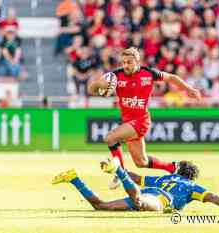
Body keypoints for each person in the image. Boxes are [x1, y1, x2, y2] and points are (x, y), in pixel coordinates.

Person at [87, 47, 202, 189]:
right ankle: (174, 168)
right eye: (123, 62)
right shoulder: (114, 76)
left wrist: (189, 89)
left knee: (110, 138)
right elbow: (91, 90)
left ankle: (120, 174)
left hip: (141, 121)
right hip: (129, 123)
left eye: (129, 62)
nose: (125, 65)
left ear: (137, 61)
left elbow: (172, 78)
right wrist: (99, 84)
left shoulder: (148, 73)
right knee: (142, 162)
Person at [52, 158, 219, 212]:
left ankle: (74, 178)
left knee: (100, 206)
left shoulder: (165, 178)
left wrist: (121, 169)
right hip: (160, 200)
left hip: (149, 190)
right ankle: (117, 170)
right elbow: (212, 198)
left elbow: (137, 177)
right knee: (138, 202)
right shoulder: (191, 187)